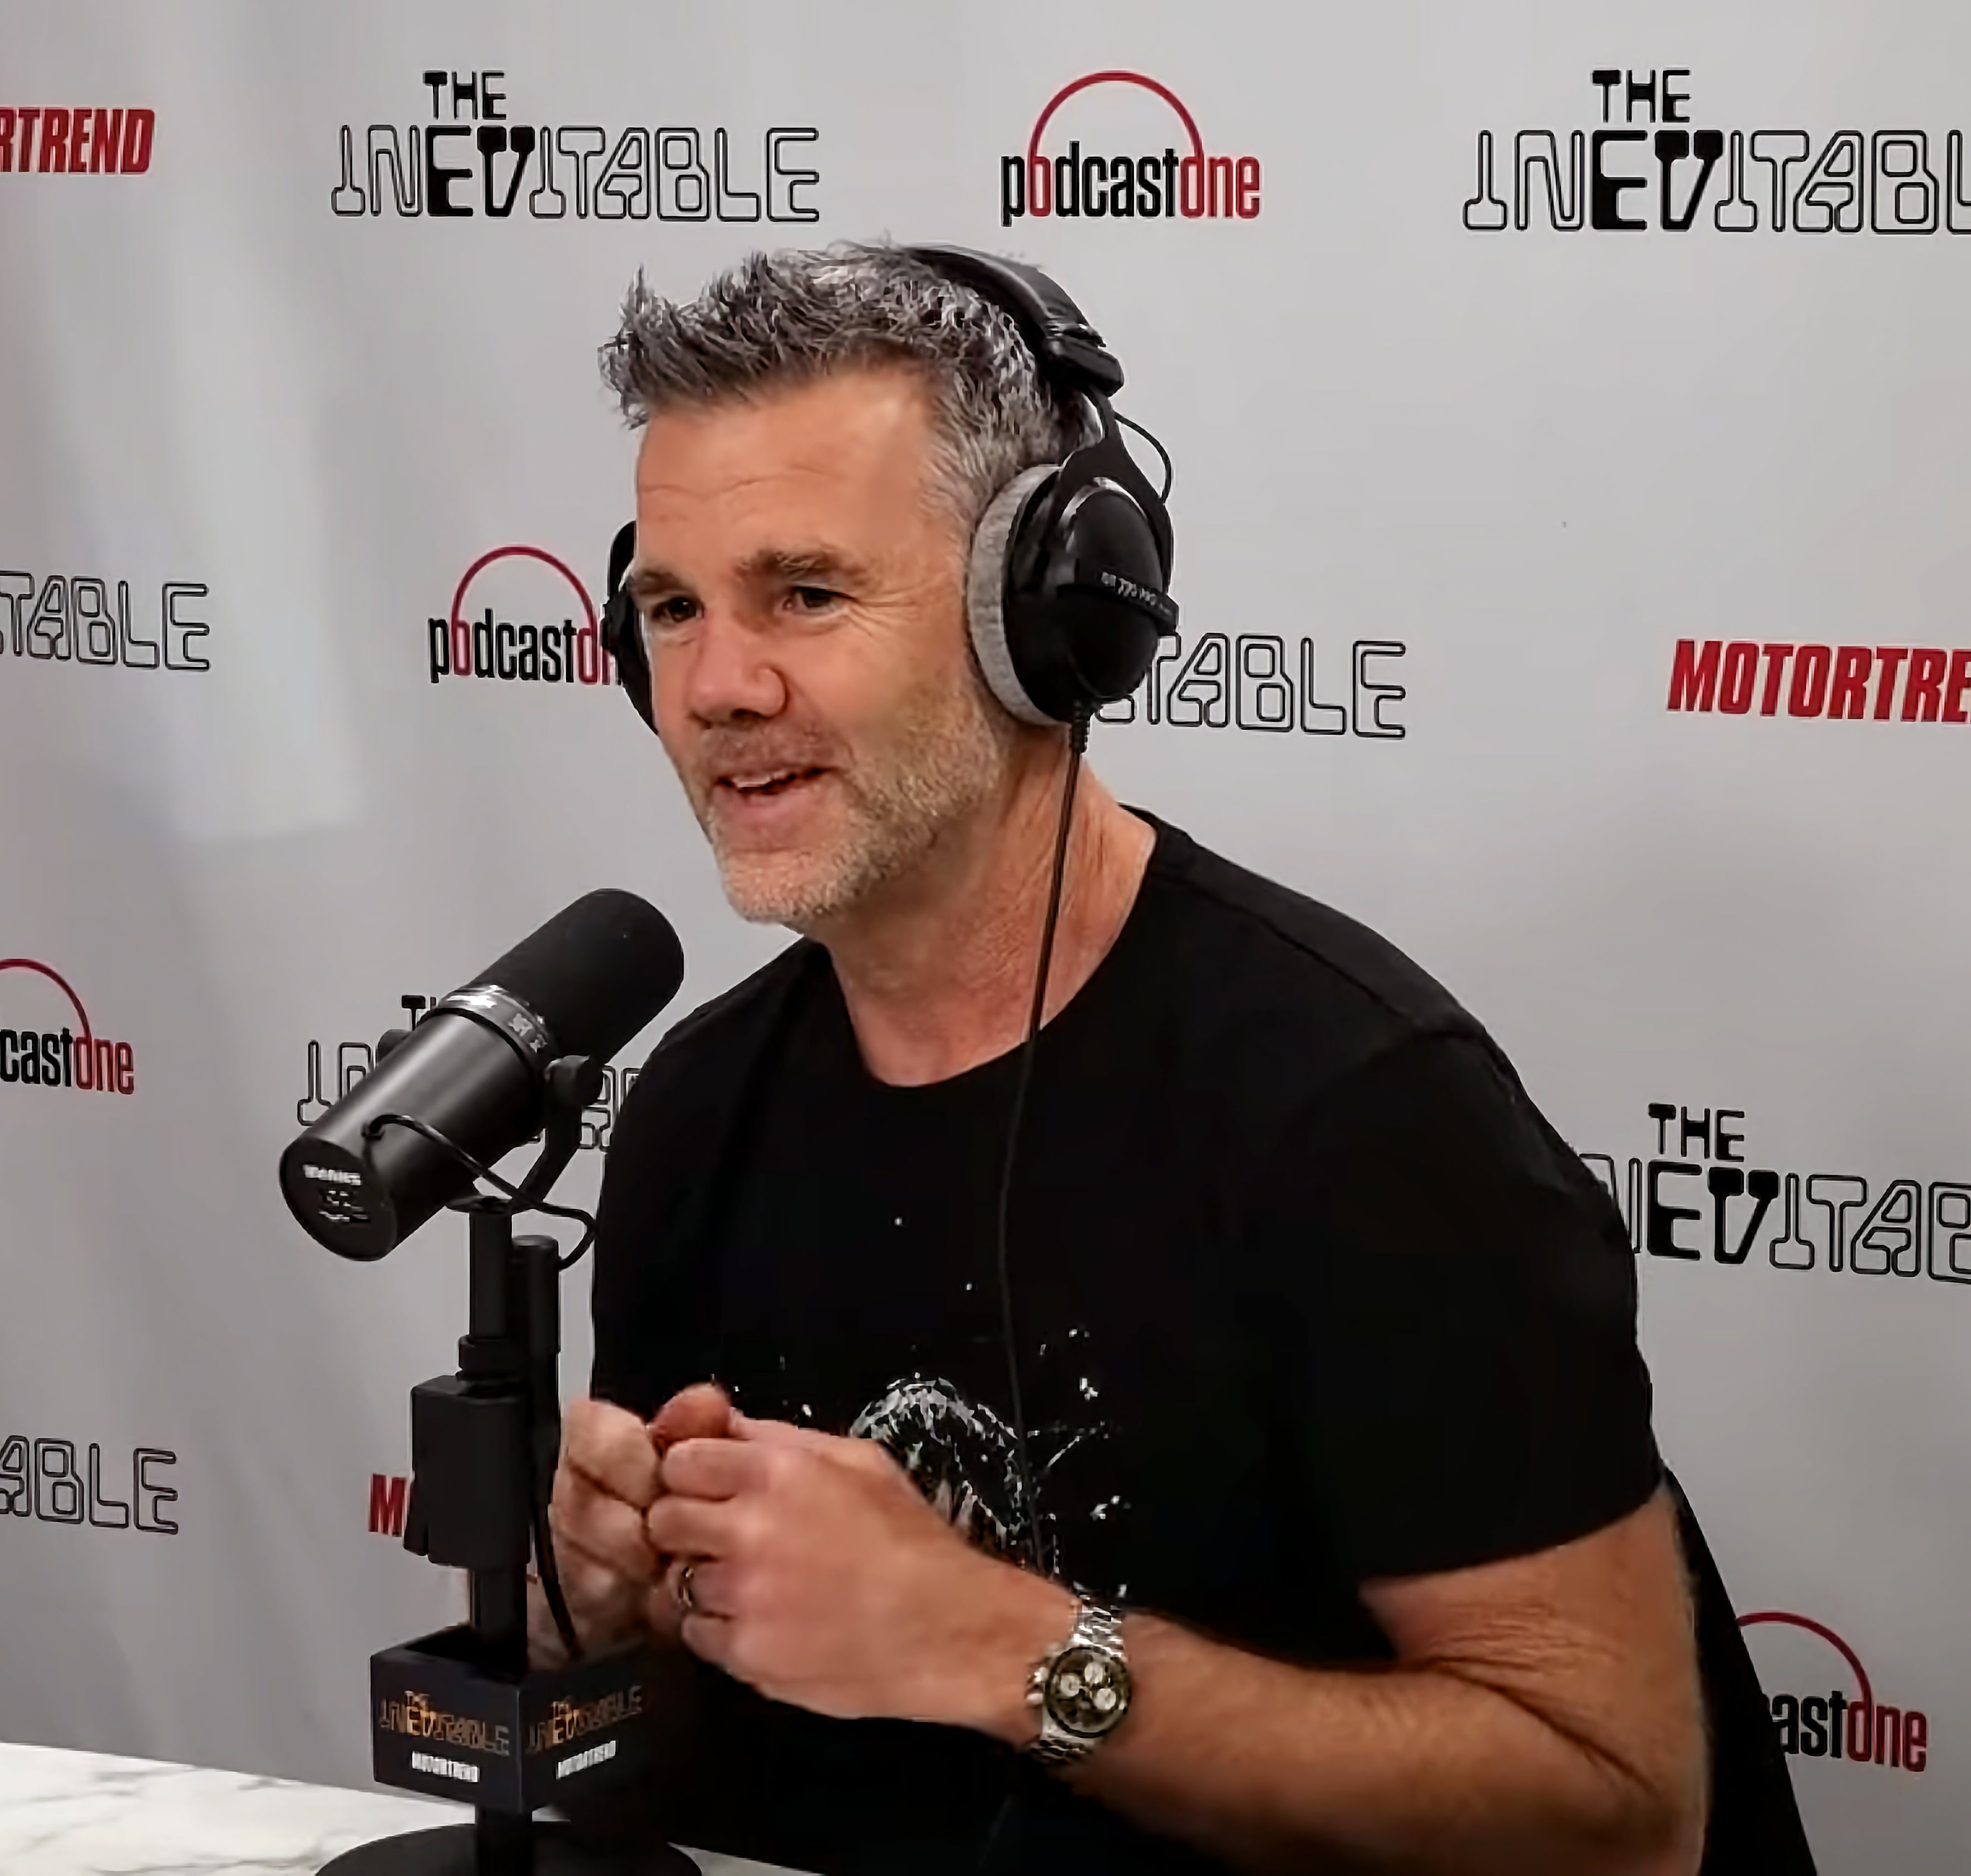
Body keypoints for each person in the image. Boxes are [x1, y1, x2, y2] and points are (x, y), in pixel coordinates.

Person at [540, 244, 1813, 1875]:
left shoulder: (1358, 1116)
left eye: (807, 593)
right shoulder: (697, 1113)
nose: (718, 687)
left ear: (1044, 615)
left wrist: (999, 1647)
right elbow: (710, 1761)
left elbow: (1619, 1817)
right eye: (672, 608)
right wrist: (605, 1626)